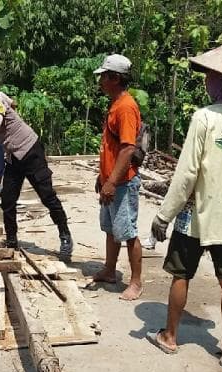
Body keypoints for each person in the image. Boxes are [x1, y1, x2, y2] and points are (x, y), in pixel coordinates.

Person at [147, 42, 222, 369]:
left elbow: (186, 175)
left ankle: (170, 337)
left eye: (211, 75)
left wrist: (163, 215)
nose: (207, 80)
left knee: (181, 275)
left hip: (196, 217)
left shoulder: (205, 118)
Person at [0, 72, 74, 262]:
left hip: (30, 150)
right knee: (8, 199)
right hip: (13, 155)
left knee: (47, 195)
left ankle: (65, 236)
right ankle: (11, 239)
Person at [91, 54, 143, 301]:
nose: (100, 81)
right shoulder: (115, 104)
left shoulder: (125, 107)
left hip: (122, 183)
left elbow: (127, 148)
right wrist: (103, 177)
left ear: (115, 78)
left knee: (128, 231)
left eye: (104, 77)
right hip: (111, 180)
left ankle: (135, 282)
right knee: (110, 229)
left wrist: (112, 181)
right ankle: (110, 270)